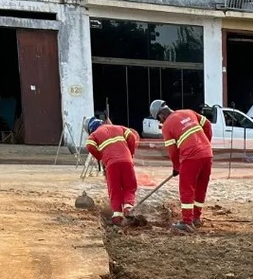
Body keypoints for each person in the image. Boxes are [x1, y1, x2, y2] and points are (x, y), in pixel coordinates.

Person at [150, 100, 213, 233]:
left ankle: (187, 221)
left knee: (186, 188)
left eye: (159, 120)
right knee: (201, 186)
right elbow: (207, 124)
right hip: (207, 155)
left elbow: (172, 150)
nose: (161, 122)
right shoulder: (188, 112)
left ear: (161, 116)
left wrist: (177, 166)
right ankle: (196, 218)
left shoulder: (167, 126)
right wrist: (205, 143)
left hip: (190, 157)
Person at [85, 117, 140, 226]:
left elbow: (89, 145)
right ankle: (128, 207)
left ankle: (117, 216)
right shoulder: (119, 128)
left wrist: (100, 157)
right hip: (127, 162)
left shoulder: (94, 134)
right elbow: (131, 137)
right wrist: (130, 153)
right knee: (129, 187)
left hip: (111, 165)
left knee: (114, 190)